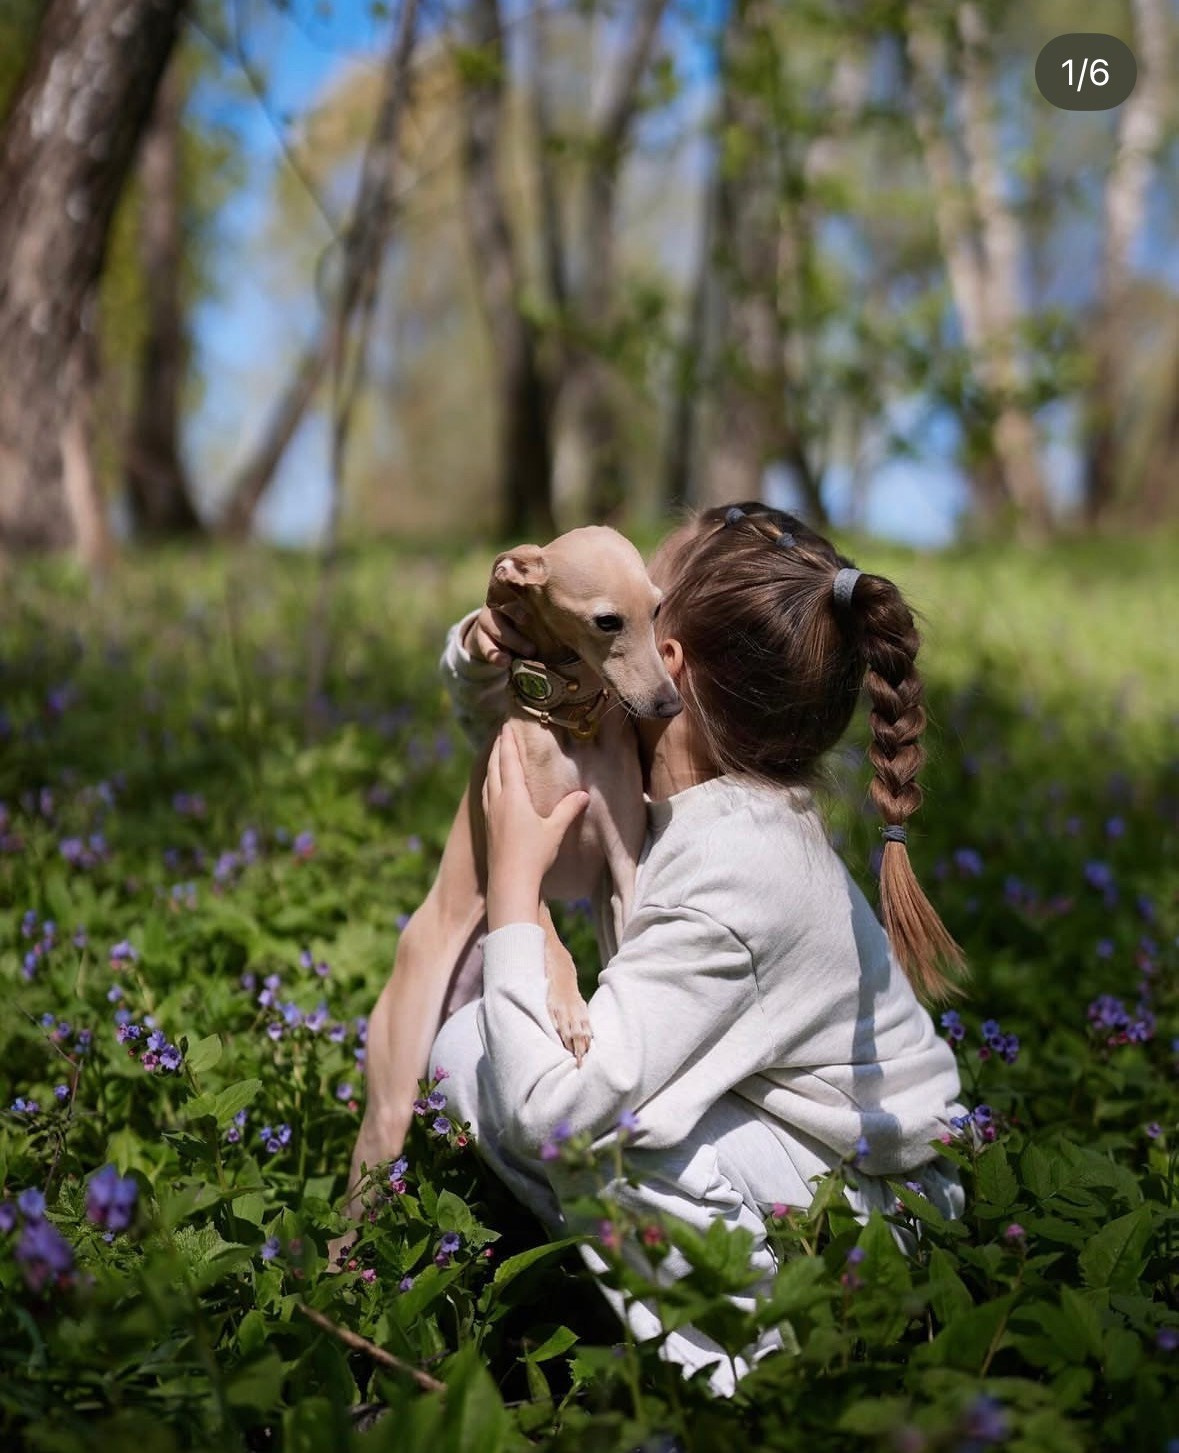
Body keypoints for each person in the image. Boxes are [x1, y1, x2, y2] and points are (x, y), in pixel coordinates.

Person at [428, 504, 966, 1395]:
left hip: (879, 1217)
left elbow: (552, 1116)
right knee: (480, 1039)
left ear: (662, 662)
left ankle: (754, 1374)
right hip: (799, 1148)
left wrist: (515, 895)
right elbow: (530, 731)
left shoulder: (737, 873)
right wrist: (480, 642)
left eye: (644, 603)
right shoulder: (684, 787)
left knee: (580, 1122)